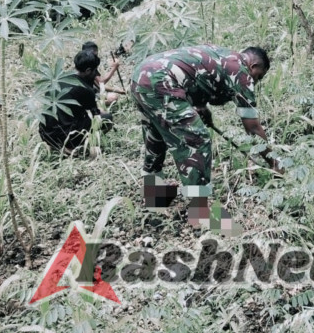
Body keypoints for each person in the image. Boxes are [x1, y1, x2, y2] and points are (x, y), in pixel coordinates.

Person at [131, 45, 280, 230]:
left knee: (156, 134)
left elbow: (198, 78)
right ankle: (199, 214)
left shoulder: (224, 55)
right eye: (258, 76)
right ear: (254, 65)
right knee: (198, 139)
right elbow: (253, 127)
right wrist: (274, 162)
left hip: (142, 75)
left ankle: (153, 196)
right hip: (162, 81)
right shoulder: (242, 73)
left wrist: (202, 109)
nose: (255, 82)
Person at [39, 50, 114, 153]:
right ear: (88, 71)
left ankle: (57, 146)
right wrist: (101, 111)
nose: (95, 73)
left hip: (46, 133)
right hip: (66, 135)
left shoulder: (58, 78)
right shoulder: (85, 88)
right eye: (95, 70)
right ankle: (76, 147)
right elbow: (94, 115)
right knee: (107, 118)